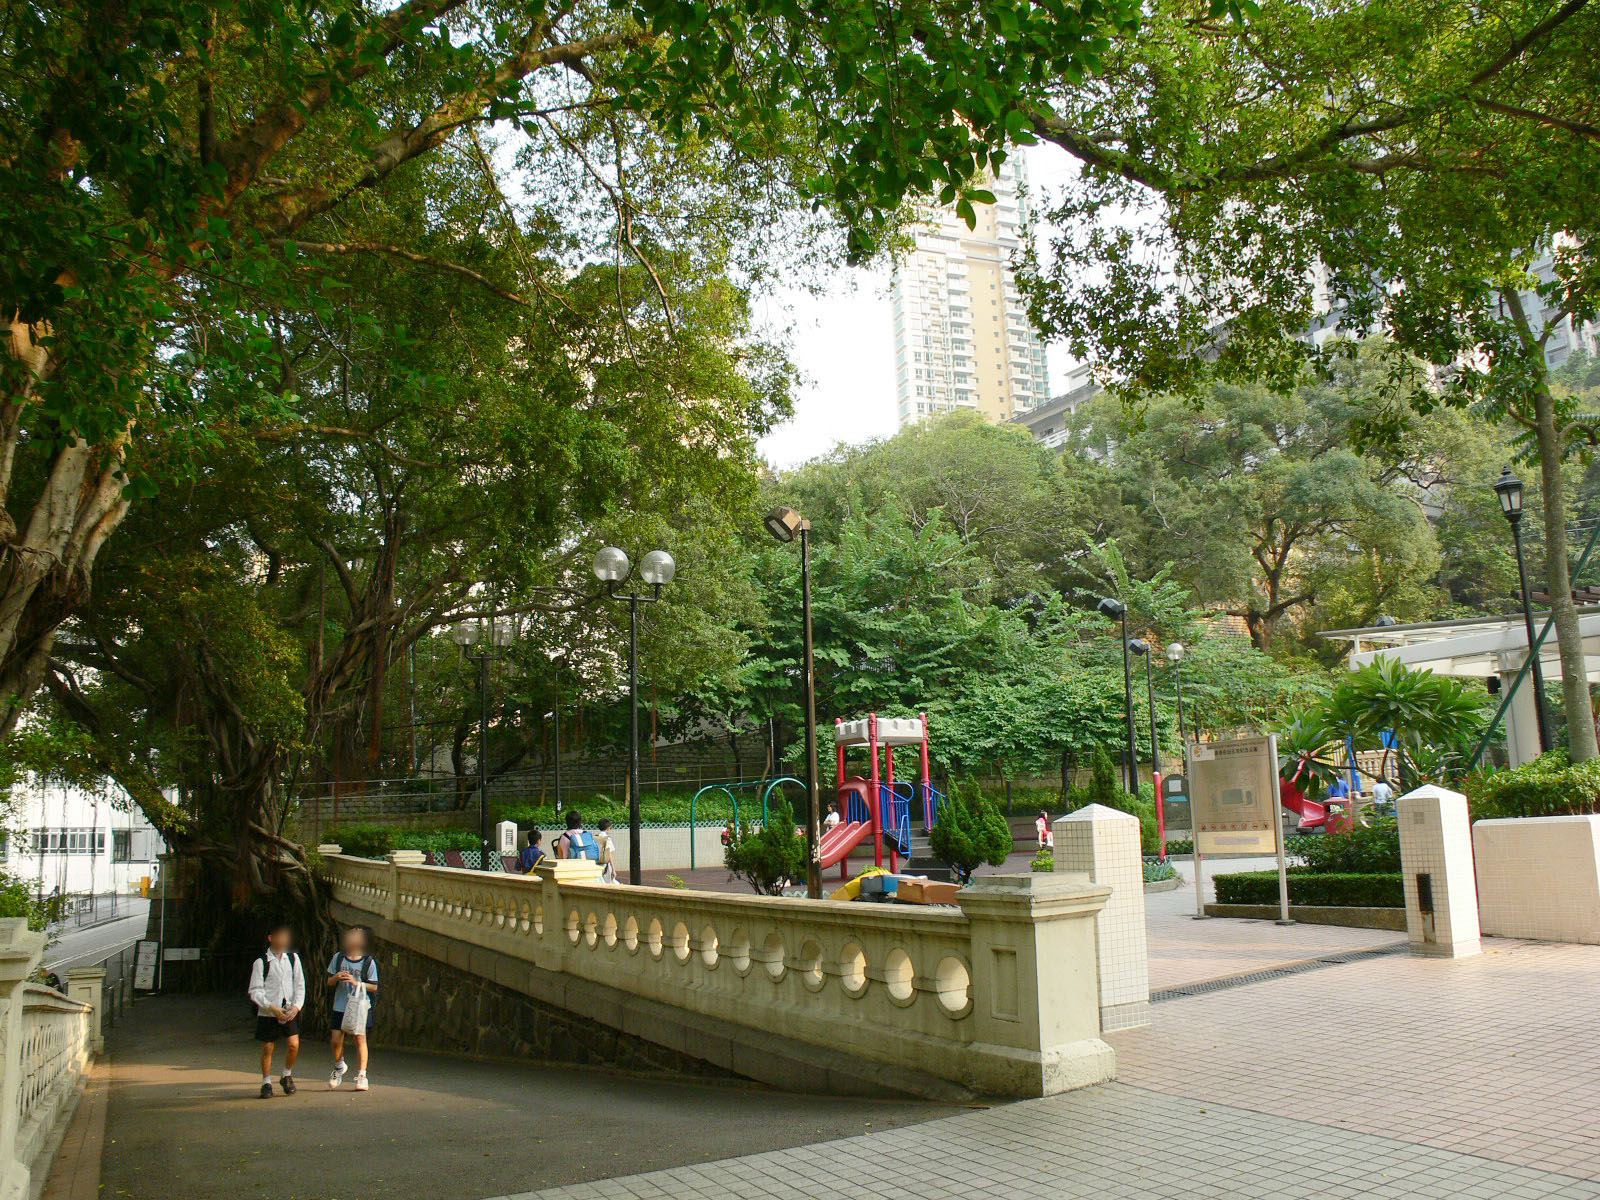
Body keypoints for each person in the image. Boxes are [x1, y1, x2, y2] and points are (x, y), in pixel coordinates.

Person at [247, 921, 305, 1099]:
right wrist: (271, 1007)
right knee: (268, 1047)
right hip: (269, 1011)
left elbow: (300, 984)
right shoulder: (262, 962)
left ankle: (286, 1074)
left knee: (294, 1044)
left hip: (288, 1010)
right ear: (271, 938)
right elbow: (255, 990)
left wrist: (297, 1006)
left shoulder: (293, 959)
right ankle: (266, 1082)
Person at [326, 925, 379, 1093]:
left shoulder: (368, 962)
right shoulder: (338, 958)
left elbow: (374, 986)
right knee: (336, 1039)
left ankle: (362, 1075)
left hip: (359, 1006)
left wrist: (357, 983)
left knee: (359, 1039)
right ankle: (339, 1065)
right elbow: (329, 982)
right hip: (341, 1003)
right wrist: (336, 977)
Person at [595, 819, 617, 883]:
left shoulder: (596, 837)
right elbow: (609, 854)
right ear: (608, 828)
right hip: (606, 865)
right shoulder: (607, 839)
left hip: (596, 864)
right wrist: (613, 869)